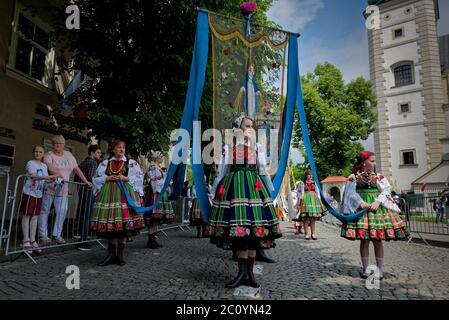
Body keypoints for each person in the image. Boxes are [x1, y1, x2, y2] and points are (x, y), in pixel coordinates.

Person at [206, 115, 282, 288]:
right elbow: (223, 170)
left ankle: (250, 274)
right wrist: (215, 190)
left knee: (254, 233)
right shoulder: (229, 146)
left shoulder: (257, 147)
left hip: (254, 188)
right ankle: (241, 273)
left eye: (252, 126)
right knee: (240, 232)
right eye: (247, 126)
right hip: (235, 187)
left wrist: (270, 193)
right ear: (237, 127)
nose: (250, 129)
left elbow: (262, 169)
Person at [340, 150, 410, 280]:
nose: (374, 163)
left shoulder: (379, 177)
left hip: (377, 211)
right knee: (364, 240)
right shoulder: (353, 177)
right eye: (372, 161)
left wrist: (378, 201)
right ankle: (366, 269)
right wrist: (360, 202)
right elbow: (350, 193)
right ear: (363, 163)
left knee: (377, 240)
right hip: (362, 211)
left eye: (374, 161)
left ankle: (380, 270)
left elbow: (386, 190)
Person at [90, 139, 145, 266]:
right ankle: (110, 255)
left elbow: (139, 178)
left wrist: (126, 178)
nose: (121, 150)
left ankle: (120, 256)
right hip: (108, 195)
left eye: (123, 148)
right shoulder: (105, 163)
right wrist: (106, 178)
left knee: (123, 225)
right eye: (119, 147)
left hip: (125, 196)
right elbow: (96, 179)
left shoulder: (131, 163)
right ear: (113, 149)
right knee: (111, 224)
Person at [38, 135, 92, 244]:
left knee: (62, 211)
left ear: (64, 145)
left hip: (63, 189)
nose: (58, 145)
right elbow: (49, 166)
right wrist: (58, 174)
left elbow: (76, 169)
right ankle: (43, 235)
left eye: (60, 143)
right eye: (55, 143)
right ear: (52, 145)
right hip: (49, 188)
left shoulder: (69, 155)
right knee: (45, 211)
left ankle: (56, 234)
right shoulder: (49, 155)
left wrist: (85, 181)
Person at [20, 145, 58, 253]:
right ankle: (25, 239)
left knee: (35, 217)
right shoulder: (30, 163)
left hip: (39, 194)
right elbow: (34, 176)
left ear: (43, 154)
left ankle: (32, 239)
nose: (38, 153)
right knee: (27, 215)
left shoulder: (44, 166)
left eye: (40, 152)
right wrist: (51, 176)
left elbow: (45, 180)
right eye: (36, 151)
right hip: (29, 192)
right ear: (33, 153)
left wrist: (54, 180)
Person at [144, 151, 175, 249]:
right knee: (152, 218)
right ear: (156, 157)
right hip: (155, 195)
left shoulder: (158, 168)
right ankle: (151, 241)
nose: (162, 158)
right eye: (161, 156)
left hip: (158, 194)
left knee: (155, 220)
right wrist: (165, 187)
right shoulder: (154, 168)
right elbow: (155, 184)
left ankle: (153, 240)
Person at [74, 145, 102, 251]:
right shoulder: (93, 162)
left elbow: (77, 175)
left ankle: (80, 234)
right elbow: (91, 177)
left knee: (82, 213)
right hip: (89, 190)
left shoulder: (84, 162)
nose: (99, 155)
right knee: (87, 216)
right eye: (98, 152)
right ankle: (83, 241)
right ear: (92, 153)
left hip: (82, 189)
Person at [297, 170, 326, 240]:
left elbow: (318, 191)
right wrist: (300, 201)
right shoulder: (302, 183)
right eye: (309, 175)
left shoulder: (314, 182)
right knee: (306, 218)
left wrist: (319, 199)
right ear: (306, 175)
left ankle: (313, 233)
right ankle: (306, 234)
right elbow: (300, 193)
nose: (310, 176)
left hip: (314, 200)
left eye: (311, 175)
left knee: (313, 218)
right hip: (305, 200)